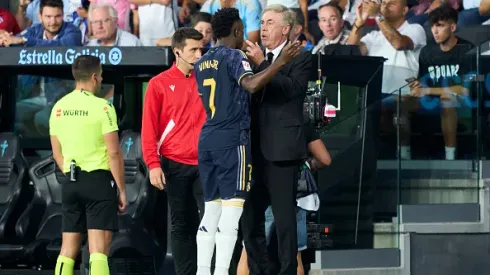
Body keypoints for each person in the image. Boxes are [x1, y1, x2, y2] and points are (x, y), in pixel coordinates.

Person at [193, 7, 300, 275]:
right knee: (232, 213)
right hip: (232, 140)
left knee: (210, 211)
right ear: (238, 31)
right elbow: (251, 85)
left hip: (207, 139)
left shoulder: (201, 62)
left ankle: (203, 271)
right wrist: (278, 63)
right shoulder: (234, 56)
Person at [241, 4, 312, 275]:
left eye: (270, 22)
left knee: (284, 220)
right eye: (262, 21)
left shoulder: (301, 58)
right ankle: (258, 269)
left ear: (285, 29)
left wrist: (264, 63)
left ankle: (286, 270)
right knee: (250, 216)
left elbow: (290, 91)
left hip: (282, 151)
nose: (264, 27)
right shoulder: (248, 58)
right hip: (252, 150)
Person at [49, 55, 127, 275]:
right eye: (101, 76)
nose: (101, 80)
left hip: (71, 181)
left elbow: (57, 153)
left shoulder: (58, 107)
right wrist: (121, 190)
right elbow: (114, 153)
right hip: (99, 182)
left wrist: (73, 174)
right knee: (98, 249)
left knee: (67, 249)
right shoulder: (103, 107)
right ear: (94, 77)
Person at [141, 27, 206, 275]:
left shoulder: (208, 79)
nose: (199, 54)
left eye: (201, 48)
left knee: (210, 223)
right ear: (177, 51)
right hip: (173, 163)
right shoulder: (159, 84)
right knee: (181, 225)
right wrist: (153, 164)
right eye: (193, 49)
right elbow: (149, 128)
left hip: (206, 163)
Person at [237, 116, 332, 275]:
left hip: (262, 190)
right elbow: (325, 159)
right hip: (296, 196)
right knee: (295, 254)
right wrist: (305, 165)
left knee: (249, 252)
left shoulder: (254, 116)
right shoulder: (300, 120)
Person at [404, 5, 473, 160]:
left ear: (453, 27)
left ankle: (450, 156)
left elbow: (464, 89)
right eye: (433, 26)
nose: (434, 31)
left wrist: (427, 91)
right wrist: (415, 86)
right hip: (431, 99)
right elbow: (423, 82)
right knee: (402, 101)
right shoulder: (427, 52)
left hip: (462, 102)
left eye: (440, 26)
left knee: (446, 100)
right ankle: (402, 155)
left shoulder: (467, 50)